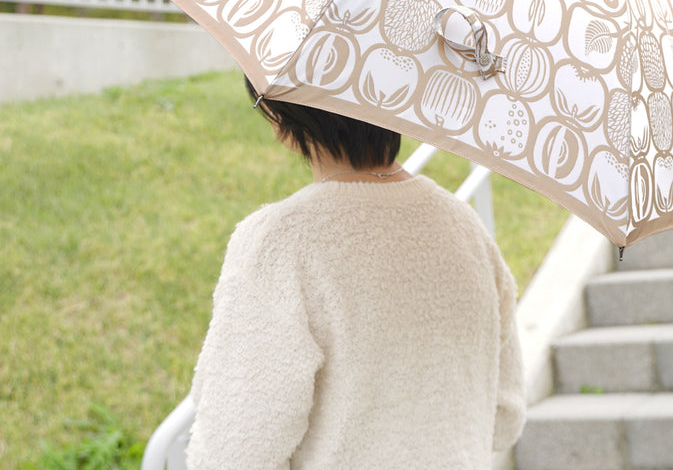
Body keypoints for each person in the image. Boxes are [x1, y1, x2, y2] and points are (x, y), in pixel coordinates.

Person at [186, 77, 526, 470]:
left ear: (281, 115)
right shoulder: (467, 229)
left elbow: (234, 450)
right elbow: (505, 418)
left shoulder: (280, 244)